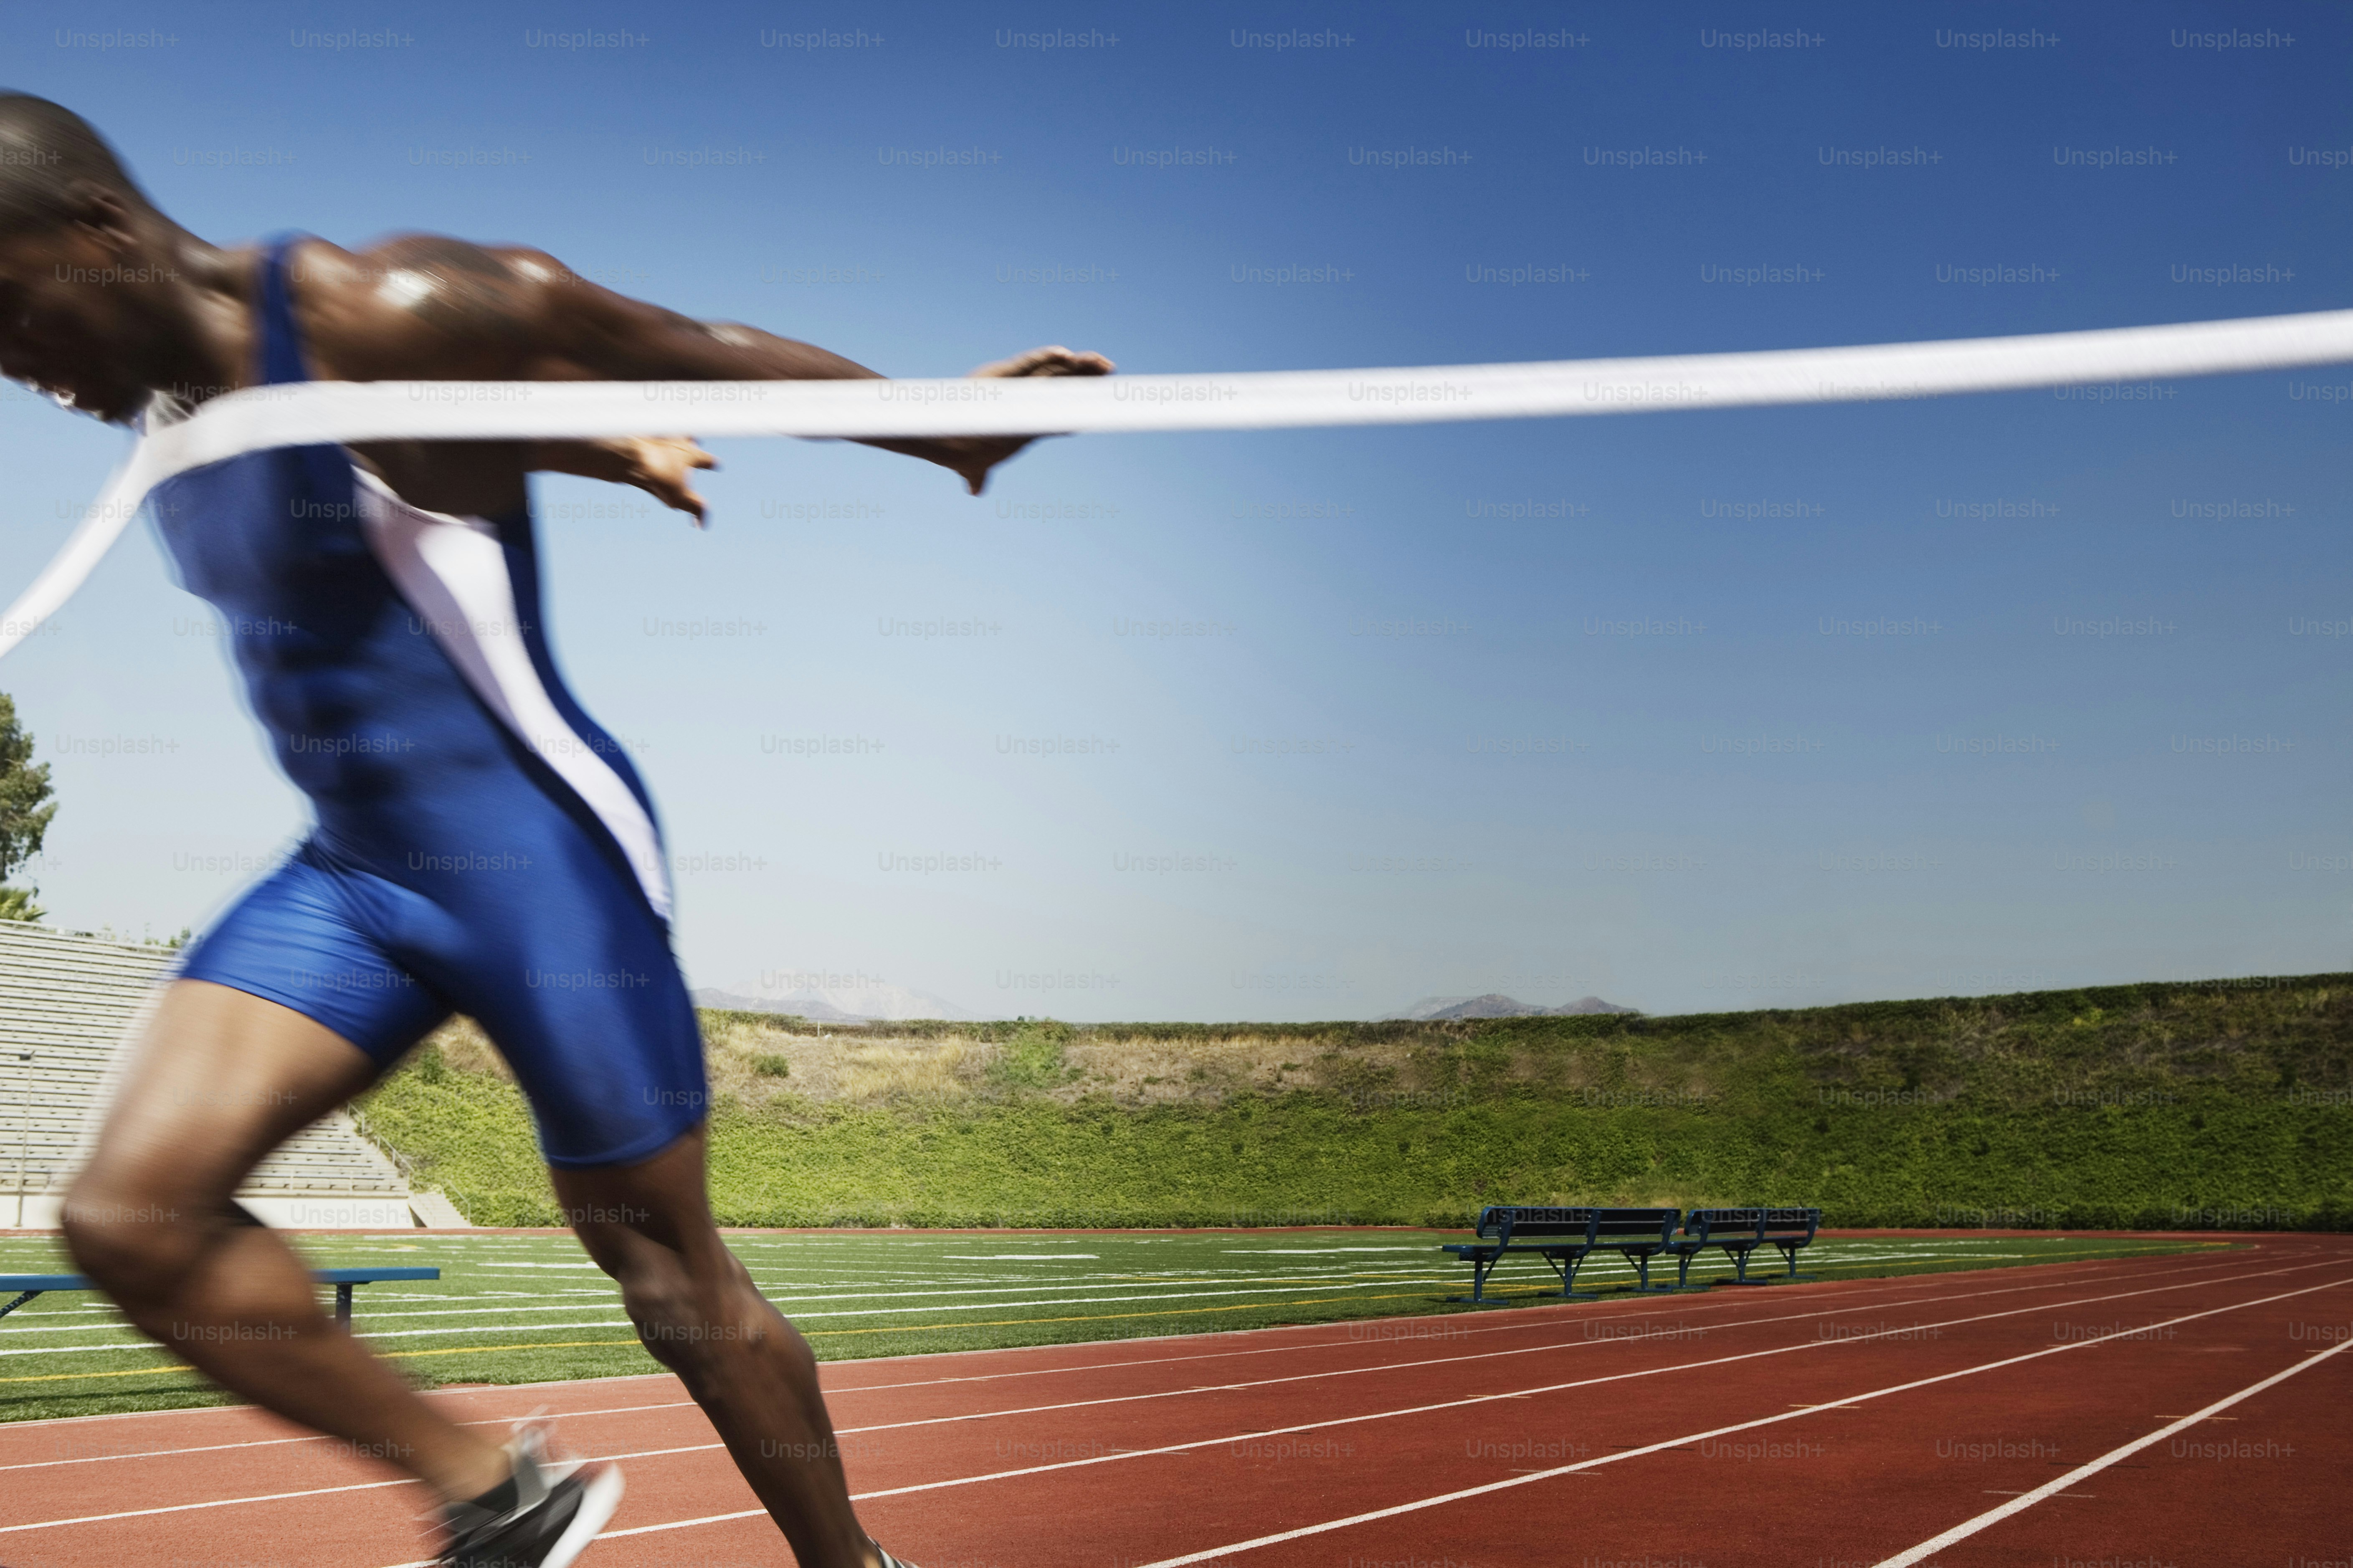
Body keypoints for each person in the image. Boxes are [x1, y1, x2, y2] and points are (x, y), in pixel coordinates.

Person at [0, 91, 1109, 1568]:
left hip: (540, 865)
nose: (12, 364)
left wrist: (938, 432)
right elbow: (480, 435)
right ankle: (499, 1493)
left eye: (8, 312)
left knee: (669, 1284)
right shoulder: (156, 407)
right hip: (353, 873)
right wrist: (609, 451)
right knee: (132, 1219)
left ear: (98, 234)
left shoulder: (370, 307)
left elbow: (654, 344)